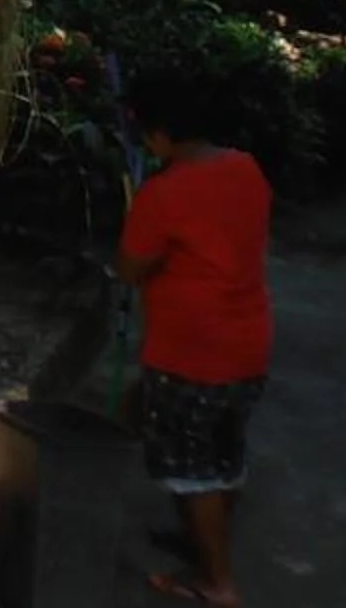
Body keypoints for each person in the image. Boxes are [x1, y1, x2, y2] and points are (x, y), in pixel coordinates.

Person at [117, 62, 275, 606]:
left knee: (195, 471)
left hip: (191, 355)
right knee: (224, 454)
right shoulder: (247, 169)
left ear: (160, 133)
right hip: (247, 345)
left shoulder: (163, 194)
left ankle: (217, 582)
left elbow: (133, 267)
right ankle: (201, 544)